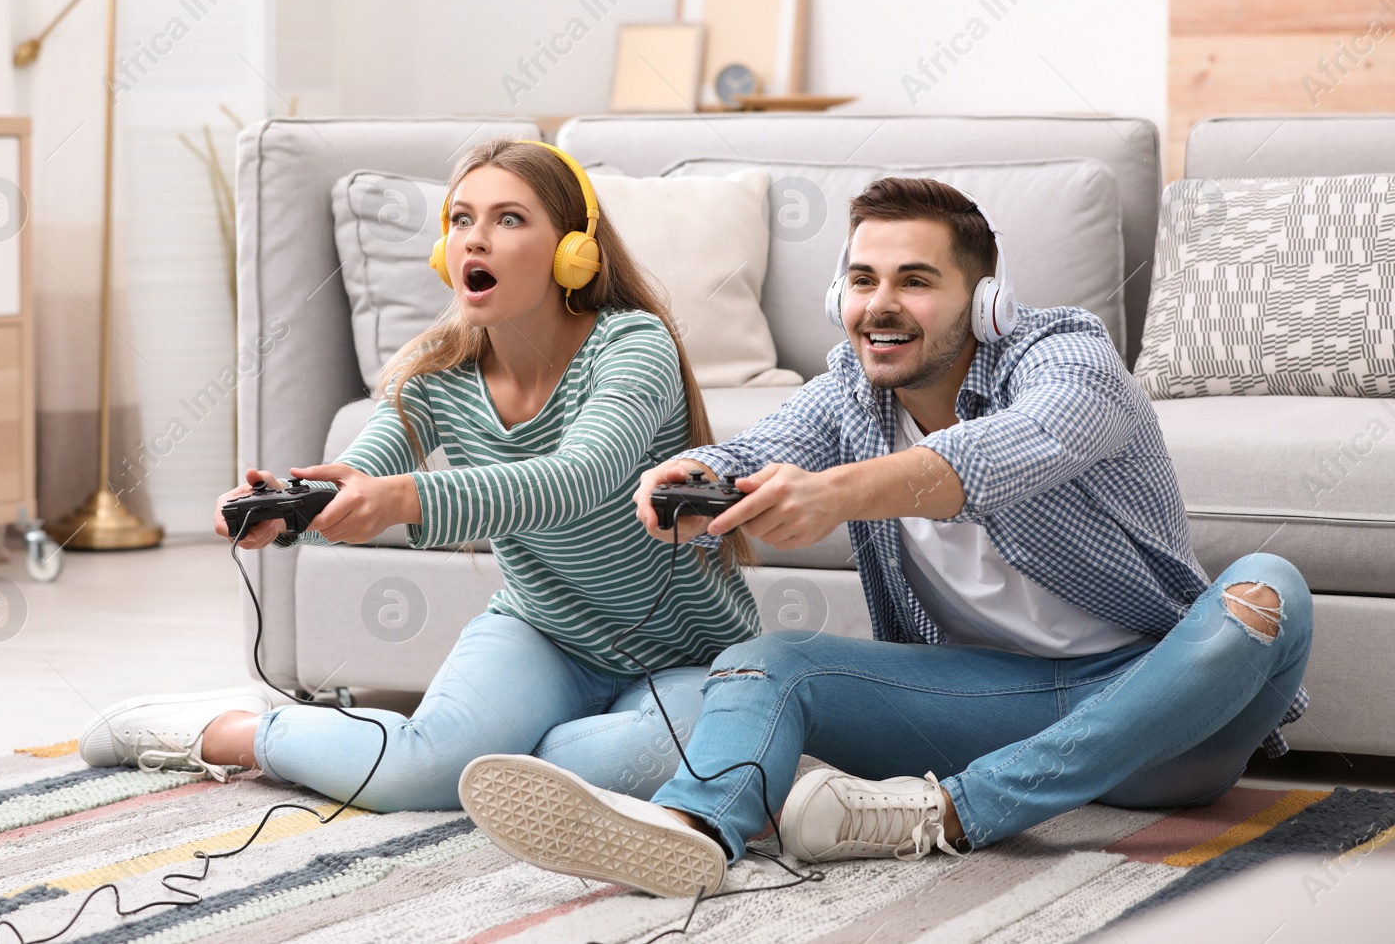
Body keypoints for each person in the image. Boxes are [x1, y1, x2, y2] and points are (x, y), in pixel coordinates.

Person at [458, 176, 1312, 899]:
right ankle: (695, 829)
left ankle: (950, 812)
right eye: (862, 280)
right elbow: (760, 450)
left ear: (984, 303)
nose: (880, 305)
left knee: (1270, 588)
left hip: (1159, 712)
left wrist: (838, 495)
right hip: (990, 702)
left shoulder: (1068, 359)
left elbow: (996, 454)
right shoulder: (850, 391)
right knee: (768, 658)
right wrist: (688, 472)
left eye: (914, 280)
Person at [76, 139, 761, 810]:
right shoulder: (436, 373)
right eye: (461, 219)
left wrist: (404, 498)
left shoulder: (631, 343)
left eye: (509, 218)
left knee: (667, 754)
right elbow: (363, 471)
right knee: (419, 775)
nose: (475, 239)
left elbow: (577, 477)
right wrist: (292, 510)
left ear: (571, 253)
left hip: (683, 656)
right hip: (542, 634)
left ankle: (474, 756)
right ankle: (227, 731)